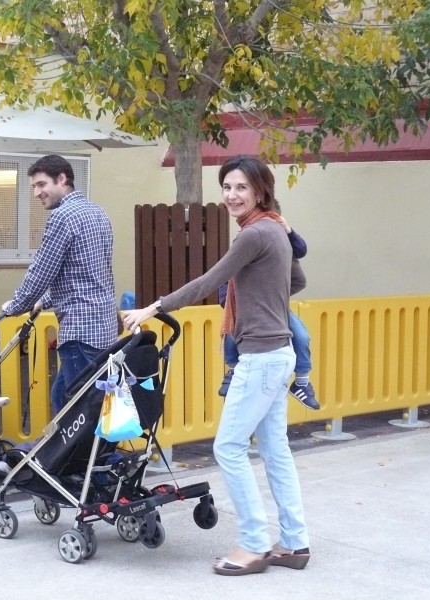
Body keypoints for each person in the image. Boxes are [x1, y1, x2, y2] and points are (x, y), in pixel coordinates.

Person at [122, 155, 311, 576]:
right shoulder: (275, 228)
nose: (232, 195)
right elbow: (296, 281)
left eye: (241, 187)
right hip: (279, 353)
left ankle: (255, 545)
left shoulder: (253, 234)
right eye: (227, 186)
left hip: (261, 356)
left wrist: (153, 307)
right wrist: (260, 293)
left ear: (260, 190)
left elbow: (207, 282)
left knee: (228, 447)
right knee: (275, 450)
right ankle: (294, 543)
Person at [1, 154, 118, 416]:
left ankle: (84, 445)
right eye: (34, 187)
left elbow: (41, 271)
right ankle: (68, 443)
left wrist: (16, 306)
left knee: (78, 409)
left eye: (41, 184)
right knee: (63, 396)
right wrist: (44, 301)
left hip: (80, 330)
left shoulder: (63, 217)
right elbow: (86, 275)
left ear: (62, 179)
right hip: (103, 327)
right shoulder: (97, 212)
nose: (36, 193)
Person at [218, 200, 320, 410]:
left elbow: (301, 251)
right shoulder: (245, 243)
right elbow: (223, 277)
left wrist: (287, 230)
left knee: (301, 335)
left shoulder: (281, 244)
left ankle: (302, 381)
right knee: (231, 332)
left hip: (273, 305)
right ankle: (233, 369)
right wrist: (230, 300)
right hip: (245, 305)